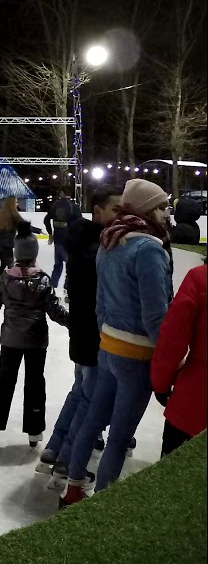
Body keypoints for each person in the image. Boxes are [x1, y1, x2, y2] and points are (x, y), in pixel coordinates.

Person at [61, 179, 173, 506]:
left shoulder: (110, 240)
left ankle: (73, 489)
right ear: (146, 209)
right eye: (162, 206)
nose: (167, 213)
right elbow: (156, 317)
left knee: (94, 421)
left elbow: (100, 305)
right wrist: (170, 359)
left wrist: (105, 341)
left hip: (108, 348)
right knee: (119, 437)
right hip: (135, 356)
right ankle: (101, 504)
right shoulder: (148, 248)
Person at [41, 186, 122, 480]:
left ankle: (55, 446)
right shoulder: (98, 247)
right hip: (93, 335)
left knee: (81, 392)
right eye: (115, 209)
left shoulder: (87, 241)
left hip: (84, 333)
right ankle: (67, 458)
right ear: (97, 211)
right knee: (90, 398)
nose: (120, 215)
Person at [0, 222, 68, 445]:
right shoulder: (42, 280)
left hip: (11, 340)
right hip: (36, 341)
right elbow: (55, 312)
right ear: (34, 254)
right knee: (34, 384)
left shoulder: (5, 278)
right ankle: (34, 432)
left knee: (3, 381)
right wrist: (75, 324)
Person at [151, 263, 206, 457]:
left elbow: (172, 340)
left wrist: (161, 384)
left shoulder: (200, 279)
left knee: (173, 481)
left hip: (194, 405)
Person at [45, 190, 81, 289]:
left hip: (57, 239)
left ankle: (52, 286)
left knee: (58, 264)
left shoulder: (55, 205)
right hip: (69, 240)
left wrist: (50, 234)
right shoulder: (73, 207)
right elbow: (80, 222)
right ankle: (67, 288)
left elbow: (46, 219)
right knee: (70, 265)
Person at [0, 197, 28, 272]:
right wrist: (38, 230)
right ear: (12, 204)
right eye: (16, 202)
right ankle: (8, 281)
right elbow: (24, 226)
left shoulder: (1, 213)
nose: (17, 204)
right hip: (7, 244)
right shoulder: (14, 214)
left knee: (3, 264)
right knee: (10, 265)